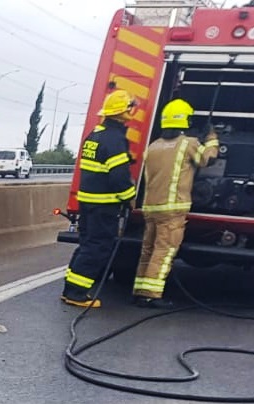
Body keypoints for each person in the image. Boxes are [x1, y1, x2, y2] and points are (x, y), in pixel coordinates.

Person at [132, 99, 219, 308]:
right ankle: (152, 295)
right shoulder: (188, 144)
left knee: (148, 250)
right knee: (164, 251)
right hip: (172, 209)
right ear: (184, 121)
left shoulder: (153, 146)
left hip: (150, 207)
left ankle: (139, 291)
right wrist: (212, 138)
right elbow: (207, 159)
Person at [62, 89, 137, 308]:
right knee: (98, 247)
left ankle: (71, 288)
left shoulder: (96, 134)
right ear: (124, 113)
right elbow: (119, 176)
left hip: (88, 201)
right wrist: (129, 198)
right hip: (104, 205)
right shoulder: (114, 139)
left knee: (86, 244)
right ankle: (76, 293)